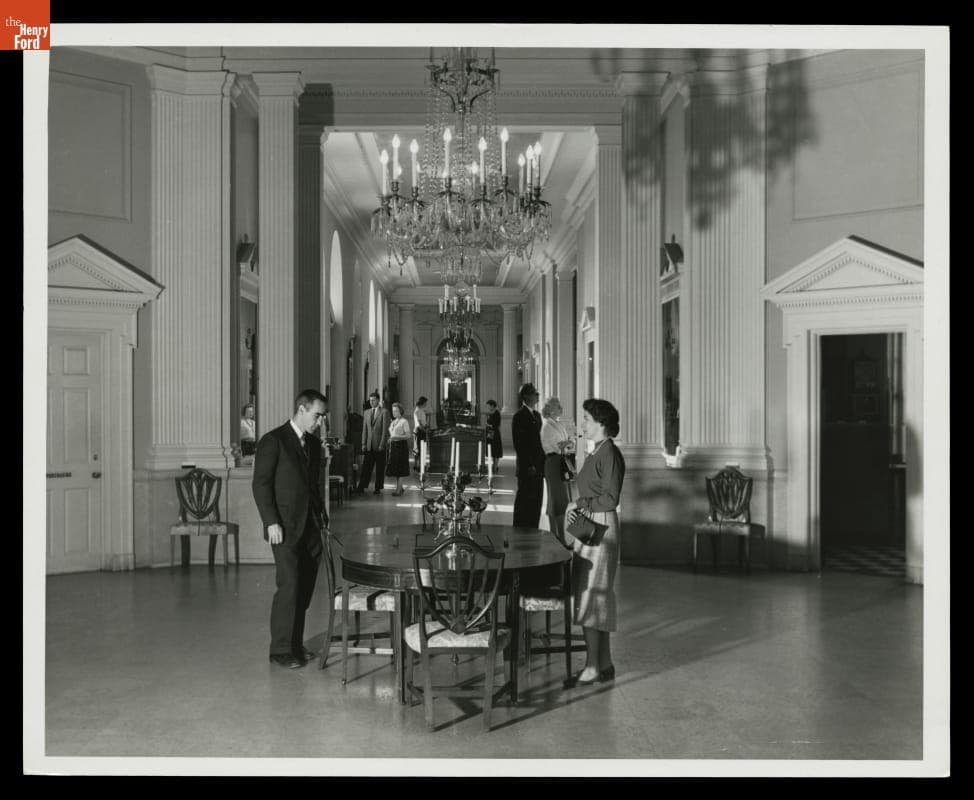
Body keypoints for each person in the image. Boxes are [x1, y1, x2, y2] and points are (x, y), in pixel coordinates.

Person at [251, 389, 329, 670]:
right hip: (283, 527)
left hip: (310, 527)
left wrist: (322, 518)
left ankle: (296, 643)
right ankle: (281, 649)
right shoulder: (273, 441)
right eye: (317, 415)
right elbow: (260, 484)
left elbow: (313, 486)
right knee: (289, 586)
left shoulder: (313, 444)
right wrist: (270, 521)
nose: (319, 422)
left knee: (305, 587)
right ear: (301, 409)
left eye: (322, 417)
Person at [563, 398, 626, 688]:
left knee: (591, 594)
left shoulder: (608, 453)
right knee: (592, 593)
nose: (582, 424)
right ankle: (604, 662)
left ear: (601, 423)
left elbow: (611, 499)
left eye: (586, 419)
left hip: (600, 525)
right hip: (591, 523)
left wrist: (580, 502)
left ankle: (591, 667)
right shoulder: (597, 451)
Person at [540, 396, 573, 541]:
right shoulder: (547, 426)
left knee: (561, 499)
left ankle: (558, 535)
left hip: (561, 461)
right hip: (552, 462)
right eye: (559, 407)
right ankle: (558, 536)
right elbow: (559, 445)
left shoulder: (558, 424)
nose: (561, 409)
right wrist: (568, 442)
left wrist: (567, 442)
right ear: (552, 410)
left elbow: (567, 442)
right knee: (557, 499)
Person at [511, 382, 544, 528]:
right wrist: (530, 464)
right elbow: (520, 445)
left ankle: (533, 527)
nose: (538, 395)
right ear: (526, 396)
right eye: (534, 393)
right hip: (527, 466)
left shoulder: (537, 415)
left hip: (538, 465)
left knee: (537, 499)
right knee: (524, 498)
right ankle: (519, 528)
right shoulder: (519, 416)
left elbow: (539, 442)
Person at [357, 390, 390, 495]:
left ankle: (378, 488)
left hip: (379, 445)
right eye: (370, 400)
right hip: (369, 445)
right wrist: (363, 444)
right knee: (366, 467)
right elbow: (364, 430)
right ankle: (361, 486)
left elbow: (385, 430)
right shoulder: (366, 412)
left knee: (380, 468)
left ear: (378, 400)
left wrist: (382, 444)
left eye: (373, 400)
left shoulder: (384, 412)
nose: (371, 402)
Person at [386, 402, 412, 496]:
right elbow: (392, 434)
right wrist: (390, 439)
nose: (394, 412)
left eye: (396, 410)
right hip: (394, 446)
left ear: (400, 411)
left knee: (400, 468)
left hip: (401, 446)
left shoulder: (404, 421)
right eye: (393, 411)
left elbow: (408, 435)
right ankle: (400, 487)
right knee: (396, 468)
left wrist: (396, 436)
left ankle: (398, 490)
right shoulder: (393, 421)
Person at [484, 399, 503, 471]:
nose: (488, 407)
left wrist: (489, 425)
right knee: (491, 450)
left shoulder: (497, 413)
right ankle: (493, 465)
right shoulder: (490, 413)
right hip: (490, 433)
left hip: (495, 433)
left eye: (488, 406)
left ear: (492, 405)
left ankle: (495, 466)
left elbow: (497, 424)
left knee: (496, 450)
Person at [413, 396, 429, 470]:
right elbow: (419, 424)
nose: (426, 404)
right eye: (425, 403)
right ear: (422, 403)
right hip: (419, 431)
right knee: (418, 449)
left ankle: (421, 465)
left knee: (422, 448)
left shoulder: (421, 410)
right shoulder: (417, 411)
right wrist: (425, 430)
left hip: (422, 431)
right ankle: (417, 466)